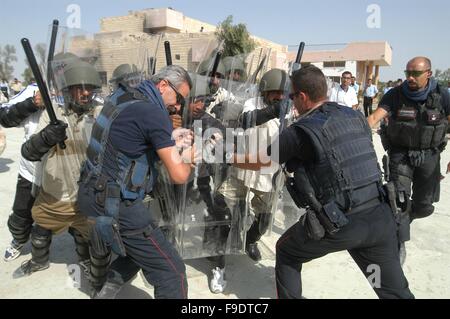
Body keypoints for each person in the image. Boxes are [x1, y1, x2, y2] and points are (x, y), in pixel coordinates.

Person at [233, 65, 414, 299]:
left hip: (341, 223)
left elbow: (262, 162)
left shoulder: (300, 131)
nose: (290, 102)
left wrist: (227, 157)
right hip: (381, 217)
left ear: (302, 97)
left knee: (287, 251)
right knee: (393, 291)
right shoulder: (355, 116)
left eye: (292, 97)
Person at [77, 65, 196, 299]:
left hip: (91, 191)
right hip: (116, 204)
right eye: (179, 97)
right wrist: (190, 158)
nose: (179, 106)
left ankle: (104, 292)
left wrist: (168, 137)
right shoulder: (153, 114)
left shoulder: (122, 96)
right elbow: (179, 175)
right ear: (163, 86)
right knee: (172, 272)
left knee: (141, 249)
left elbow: (129, 138)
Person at [18, 60, 103, 277]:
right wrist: (46, 137)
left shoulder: (98, 113)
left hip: (84, 193)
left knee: (86, 234)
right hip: (55, 191)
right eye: (80, 88)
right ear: (68, 90)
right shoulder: (53, 113)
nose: (86, 93)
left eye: (90, 89)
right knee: (41, 229)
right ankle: (39, 261)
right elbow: (29, 152)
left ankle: (84, 260)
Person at [367, 56, 450, 261]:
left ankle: (405, 218)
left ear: (428, 73)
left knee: (424, 207)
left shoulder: (442, 95)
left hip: (430, 155)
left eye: (415, 74)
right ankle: (398, 243)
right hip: (400, 155)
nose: (410, 78)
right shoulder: (395, 95)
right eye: (408, 73)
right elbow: (375, 117)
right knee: (399, 203)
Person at [1, 82, 43, 261]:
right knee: (22, 211)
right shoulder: (34, 89)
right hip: (31, 170)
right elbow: (4, 116)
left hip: (67, 173)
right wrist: (33, 103)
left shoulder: (83, 90)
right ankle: (18, 239)